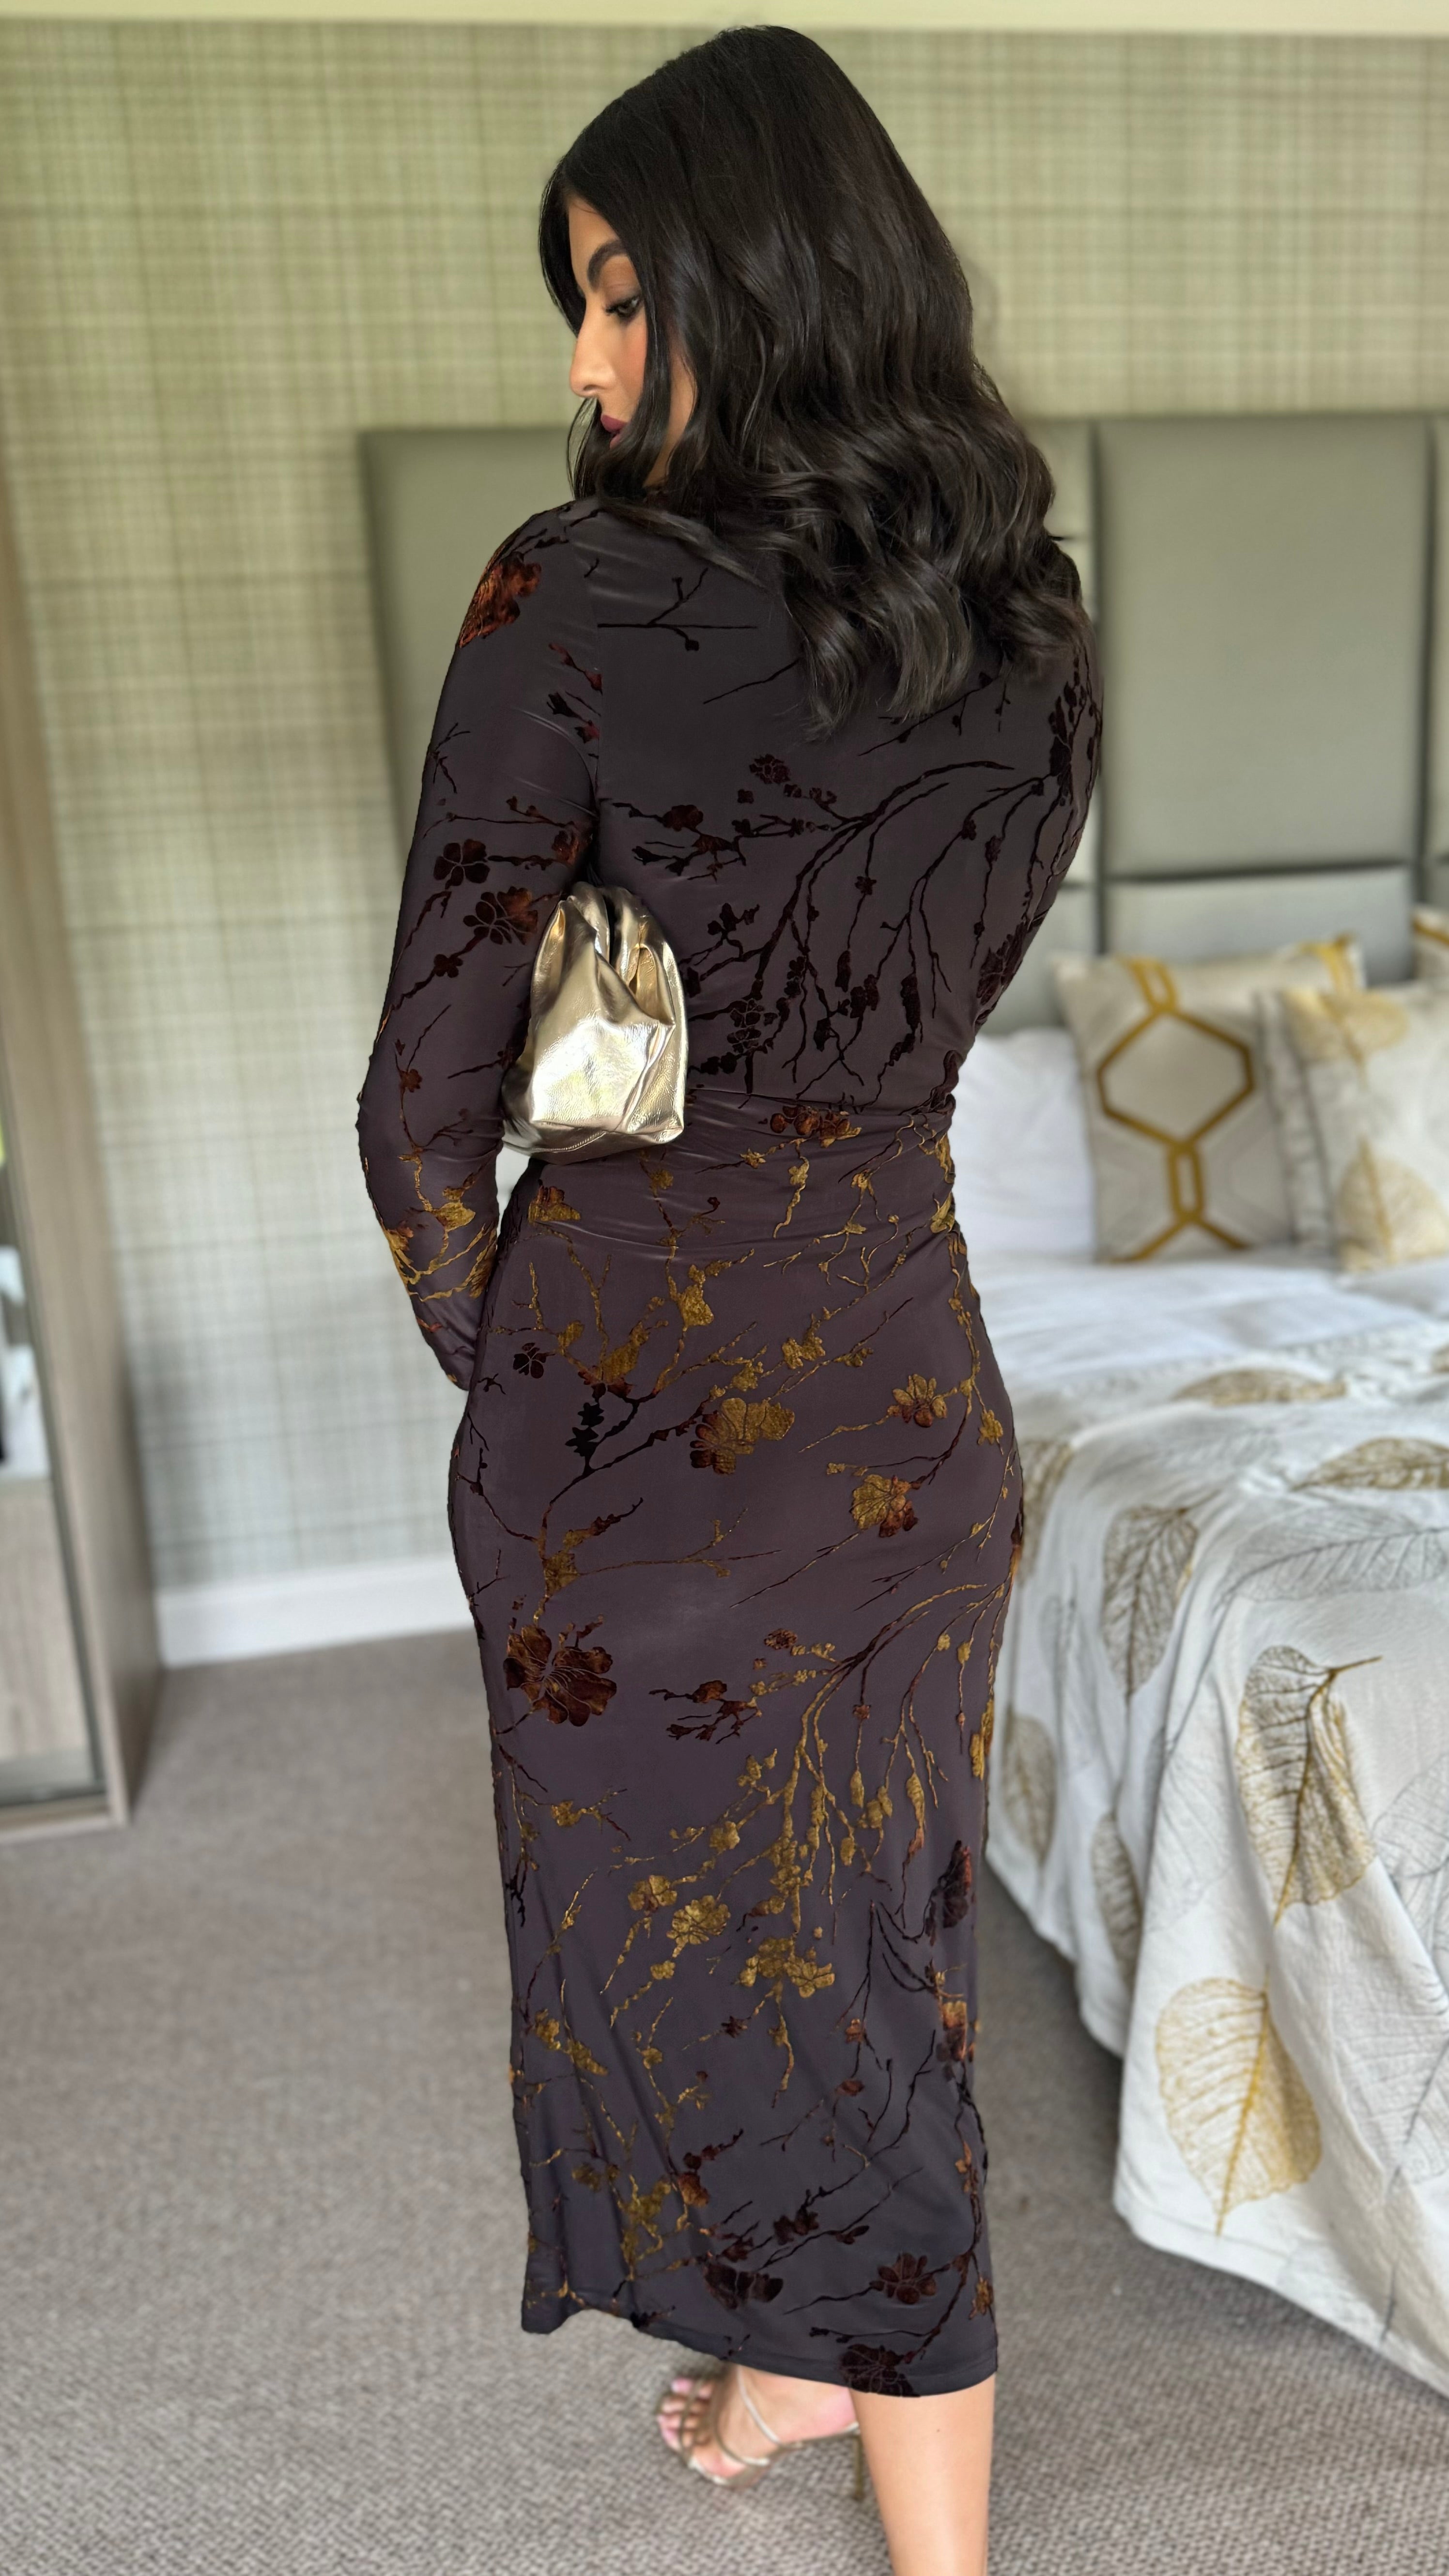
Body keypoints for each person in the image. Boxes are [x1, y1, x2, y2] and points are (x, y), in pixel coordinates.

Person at [358, 28, 1099, 2574]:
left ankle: (905, 2498)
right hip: (910, 1418)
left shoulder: (569, 595)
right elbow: (909, 1013)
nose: (584, 365)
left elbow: (418, 1112)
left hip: (631, 1432)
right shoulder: (1036, 622)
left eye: (611, 296)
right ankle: (807, 2372)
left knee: (692, 1948)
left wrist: (532, 1380)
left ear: (749, 280)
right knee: (878, 1958)